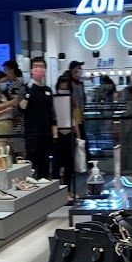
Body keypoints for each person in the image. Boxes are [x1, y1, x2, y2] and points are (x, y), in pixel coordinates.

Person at [19, 56, 57, 178]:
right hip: (32, 134)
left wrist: (54, 137)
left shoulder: (47, 90)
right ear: (31, 70)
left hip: (46, 134)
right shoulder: (26, 88)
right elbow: (21, 108)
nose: (38, 69)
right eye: (36, 67)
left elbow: (52, 114)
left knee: (45, 166)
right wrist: (27, 94)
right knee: (32, 165)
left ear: (45, 69)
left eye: (41, 67)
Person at [53, 71, 76, 199]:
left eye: (66, 84)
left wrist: (77, 134)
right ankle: (57, 191)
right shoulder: (54, 98)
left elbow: (75, 117)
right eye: (62, 84)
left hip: (68, 132)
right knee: (58, 164)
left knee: (68, 165)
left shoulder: (71, 99)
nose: (64, 86)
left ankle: (67, 190)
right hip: (59, 133)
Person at [3, 59, 27, 156]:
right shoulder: (19, 84)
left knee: (19, 150)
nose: (5, 73)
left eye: (6, 70)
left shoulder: (14, 86)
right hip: (19, 123)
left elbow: (16, 104)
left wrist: (14, 117)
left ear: (11, 71)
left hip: (18, 124)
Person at [0, 70, 15, 145]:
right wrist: (7, 109)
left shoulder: (4, 96)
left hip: (9, 124)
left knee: (9, 150)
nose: (4, 84)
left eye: (6, 82)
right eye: (2, 82)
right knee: (1, 149)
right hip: (0, 124)